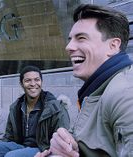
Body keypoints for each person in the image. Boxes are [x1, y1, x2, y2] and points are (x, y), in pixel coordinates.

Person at [35, 4, 133, 157]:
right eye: (70, 39)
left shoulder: (125, 94)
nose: (68, 47)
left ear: (113, 46)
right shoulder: (98, 90)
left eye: (81, 38)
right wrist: (69, 145)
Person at [0, 65, 70, 157]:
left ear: (41, 82)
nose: (33, 84)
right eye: (28, 80)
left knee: (12, 156)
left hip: (43, 148)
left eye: (37, 80)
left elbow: (63, 137)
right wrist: (3, 147)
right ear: (21, 84)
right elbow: (8, 137)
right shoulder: (16, 107)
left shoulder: (55, 107)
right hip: (20, 146)